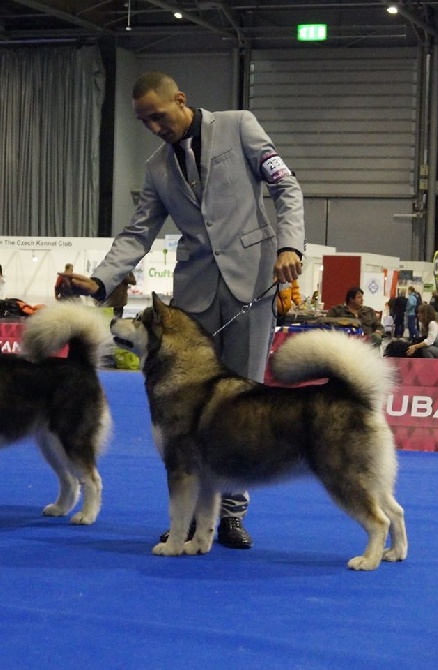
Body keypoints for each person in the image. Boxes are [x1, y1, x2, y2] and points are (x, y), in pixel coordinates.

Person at [58, 70, 305, 549]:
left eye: (158, 115)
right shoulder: (156, 168)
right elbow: (138, 232)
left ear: (181, 99)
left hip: (252, 283)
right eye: (144, 121)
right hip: (191, 298)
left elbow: (286, 187)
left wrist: (289, 246)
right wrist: (101, 278)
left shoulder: (239, 126)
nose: (153, 127)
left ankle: (231, 514)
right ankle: (188, 517)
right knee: (184, 412)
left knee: (242, 405)